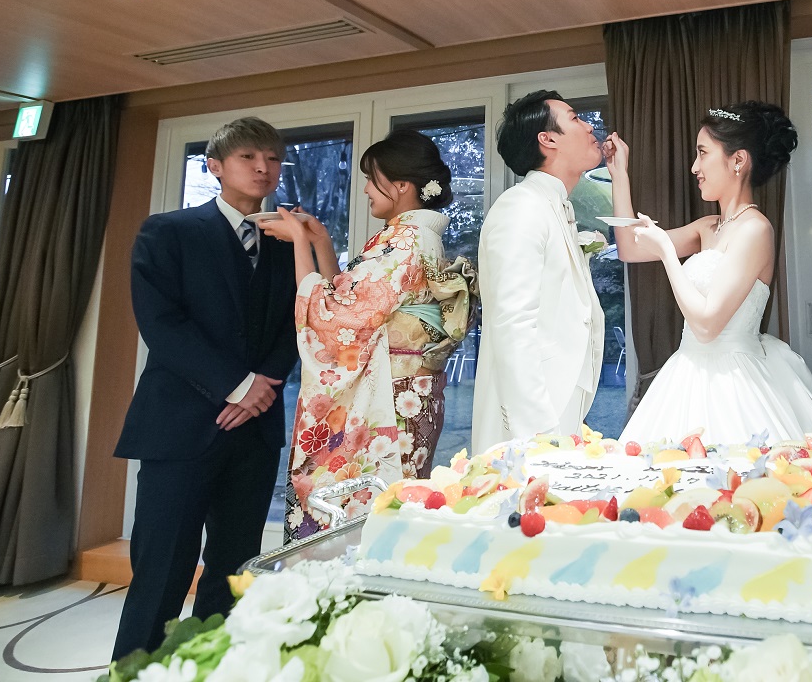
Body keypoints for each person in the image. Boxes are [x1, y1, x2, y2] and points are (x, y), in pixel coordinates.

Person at [112, 118, 297, 660]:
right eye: (248, 157)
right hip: (180, 427)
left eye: (273, 158)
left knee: (236, 571)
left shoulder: (286, 241)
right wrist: (238, 386)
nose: (263, 168)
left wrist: (262, 389)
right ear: (215, 167)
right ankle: (135, 670)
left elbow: (302, 317)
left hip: (255, 431)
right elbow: (161, 323)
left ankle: (218, 667)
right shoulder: (167, 231)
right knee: (161, 570)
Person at [261, 129, 475, 541]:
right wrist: (321, 241)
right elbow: (350, 302)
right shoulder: (411, 236)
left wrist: (299, 243)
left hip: (392, 398)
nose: (365, 190)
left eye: (371, 179)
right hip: (407, 391)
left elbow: (334, 314)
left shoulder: (406, 240)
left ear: (401, 184)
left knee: (366, 517)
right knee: (384, 511)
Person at [613, 101, 812, 446]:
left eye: (703, 153)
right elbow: (629, 247)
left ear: (738, 160)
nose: (694, 167)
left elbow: (707, 325)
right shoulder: (708, 226)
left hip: (733, 383)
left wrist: (667, 252)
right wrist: (619, 175)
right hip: (685, 373)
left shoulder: (755, 229)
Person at [471, 91, 606, 453]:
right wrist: (539, 433)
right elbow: (512, 322)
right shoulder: (520, 206)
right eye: (575, 118)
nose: (589, 126)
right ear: (547, 139)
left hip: (562, 399)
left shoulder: (554, 205)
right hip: (533, 417)